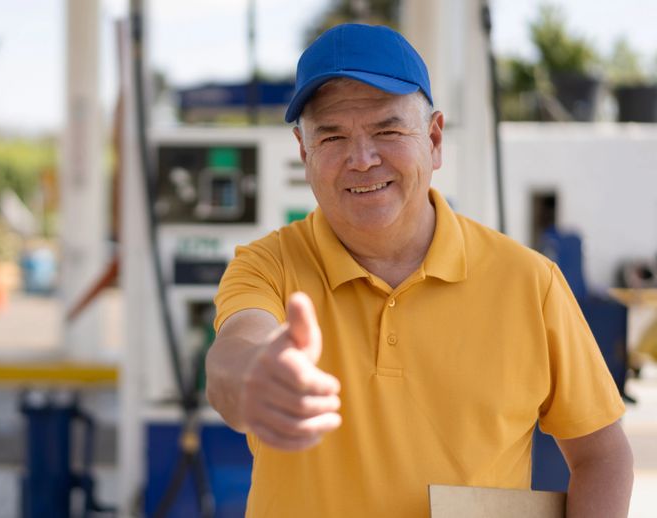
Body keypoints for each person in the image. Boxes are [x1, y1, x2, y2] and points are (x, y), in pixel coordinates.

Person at [205, 23, 633, 517]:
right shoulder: (268, 265)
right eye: (332, 136)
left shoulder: (530, 283)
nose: (362, 159)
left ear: (433, 139)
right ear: (305, 153)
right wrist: (255, 376)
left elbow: (602, 454)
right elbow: (234, 356)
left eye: (387, 130)